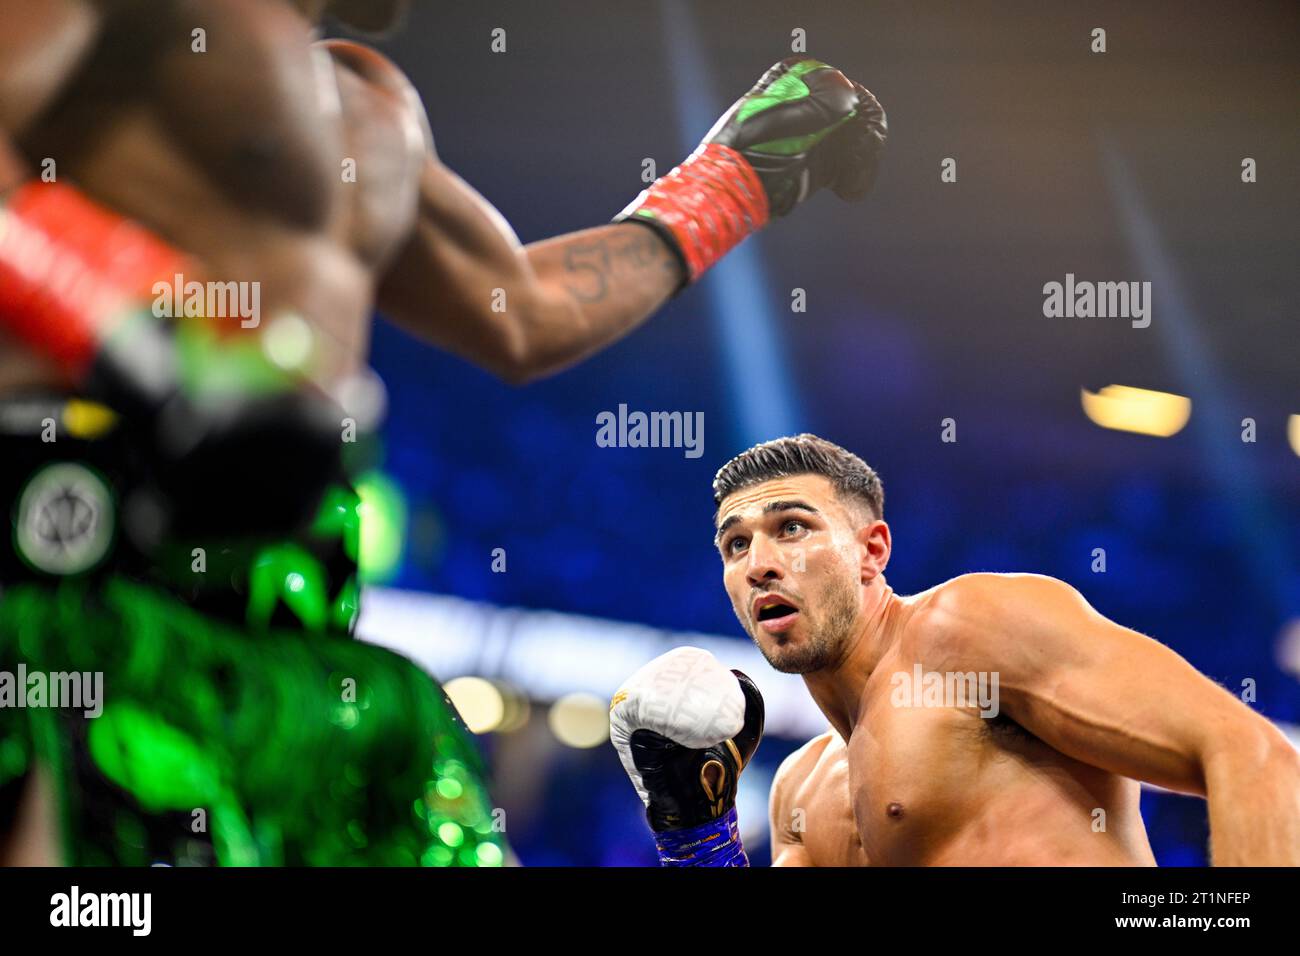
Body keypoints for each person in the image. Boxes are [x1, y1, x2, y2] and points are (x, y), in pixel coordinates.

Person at [0, 0, 887, 864]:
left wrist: (732, 180)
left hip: (289, 618)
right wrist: (143, 331)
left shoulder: (369, 104)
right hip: (68, 561)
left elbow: (519, 313)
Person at [611, 434, 1300, 865]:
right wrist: (697, 841)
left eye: (791, 528)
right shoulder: (802, 790)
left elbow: (1248, 751)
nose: (759, 562)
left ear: (871, 551)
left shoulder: (966, 629)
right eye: (736, 545)